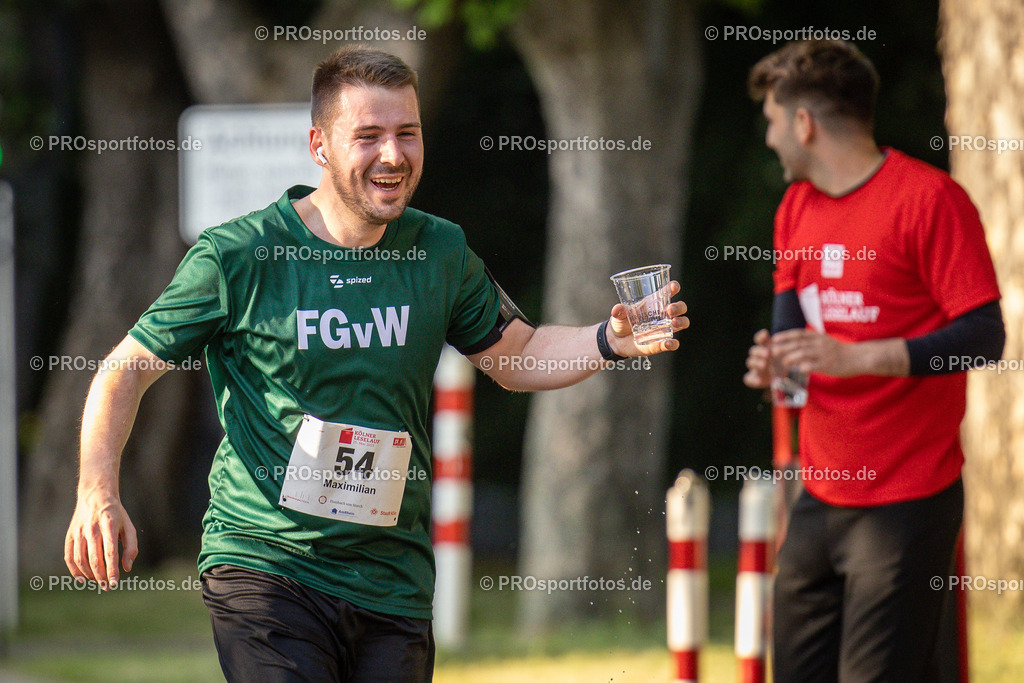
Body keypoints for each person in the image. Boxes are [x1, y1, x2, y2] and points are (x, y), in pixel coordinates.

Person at [63, 45, 689, 682]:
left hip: (392, 578)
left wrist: (608, 340)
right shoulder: (241, 254)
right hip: (266, 562)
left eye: (407, 134)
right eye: (368, 136)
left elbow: (517, 354)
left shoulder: (438, 251)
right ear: (320, 145)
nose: (393, 156)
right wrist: (97, 493)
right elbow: (126, 368)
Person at [742, 40, 1004, 682]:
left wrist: (858, 356)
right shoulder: (795, 209)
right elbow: (795, 338)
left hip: (907, 499)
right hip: (819, 494)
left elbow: (985, 337)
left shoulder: (931, 200)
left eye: (774, 121)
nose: (770, 137)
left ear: (804, 123)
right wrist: (777, 365)